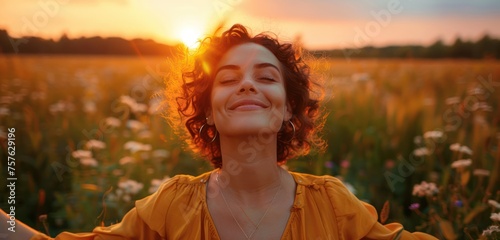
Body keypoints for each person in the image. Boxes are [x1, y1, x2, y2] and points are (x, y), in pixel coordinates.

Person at [1, 24, 438, 240]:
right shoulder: (172, 206)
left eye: (266, 77)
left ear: (289, 109)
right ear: (208, 113)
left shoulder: (334, 206)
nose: (247, 83)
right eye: (227, 79)